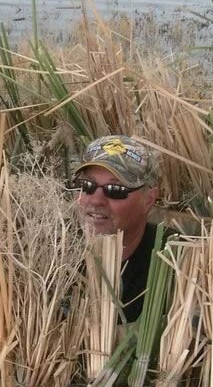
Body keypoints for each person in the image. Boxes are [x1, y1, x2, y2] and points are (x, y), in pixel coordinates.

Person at [71, 134, 170, 324]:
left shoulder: (172, 257)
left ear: (148, 199)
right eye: (87, 185)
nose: (96, 200)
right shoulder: (52, 251)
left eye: (114, 190)